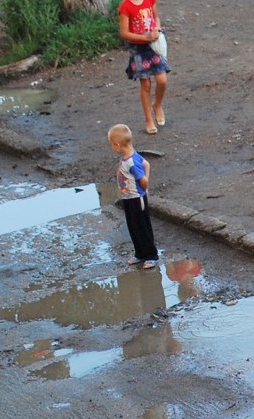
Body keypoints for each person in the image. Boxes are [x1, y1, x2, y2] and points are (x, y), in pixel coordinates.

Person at [108, 123, 159, 269]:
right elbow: (147, 164)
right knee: (133, 226)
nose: (113, 148)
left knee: (141, 226)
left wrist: (144, 188)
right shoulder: (131, 156)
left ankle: (151, 255)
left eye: (112, 145)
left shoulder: (130, 162)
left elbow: (142, 178)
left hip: (136, 198)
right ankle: (140, 253)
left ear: (117, 145)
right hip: (129, 198)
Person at [118, 0, 169, 135]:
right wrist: (144, 38)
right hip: (138, 49)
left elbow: (155, 17)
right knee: (145, 84)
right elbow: (124, 33)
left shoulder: (149, 1)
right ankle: (148, 120)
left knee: (162, 80)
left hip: (154, 44)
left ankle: (157, 104)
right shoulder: (125, 6)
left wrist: (156, 28)